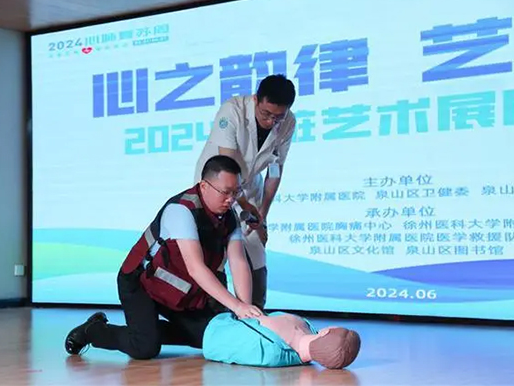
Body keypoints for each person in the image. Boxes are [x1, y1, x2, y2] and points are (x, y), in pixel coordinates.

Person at [64, 155, 263, 359]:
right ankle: (93, 330)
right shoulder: (181, 210)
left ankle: (146, 332)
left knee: (209, 336)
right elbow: (196, 268)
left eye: (236, 192)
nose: (231, 199)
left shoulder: (229, 217)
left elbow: (238, 261)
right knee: (144, 348)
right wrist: (236, 306)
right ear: (204, 186)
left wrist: (245, 310)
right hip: (142, 283)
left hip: (178, 291)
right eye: (225, 192)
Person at [194, 74, 297, 310]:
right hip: (218, 185)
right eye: (266, 114)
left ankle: (255, 310)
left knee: (255, 246)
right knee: (214, 246)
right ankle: (214, 312)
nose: (271, 121)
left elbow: (275, 170)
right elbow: (227, 165)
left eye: (278, 117)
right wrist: (241, 202)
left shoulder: (288, 122)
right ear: (255, 99)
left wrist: (262, 216)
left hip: (250, 186)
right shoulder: (233, 111)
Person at [203, 311, 361, 369]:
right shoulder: (305, 325)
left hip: (211, 326)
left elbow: (215, 342)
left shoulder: (270, 351)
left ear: (326, 332)